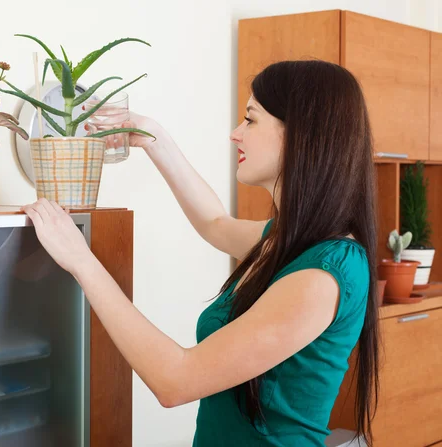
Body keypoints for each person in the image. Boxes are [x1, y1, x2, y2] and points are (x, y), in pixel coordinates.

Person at [21, 59, 380, 446]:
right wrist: (152, 136)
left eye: (251, 119)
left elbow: (175, 381)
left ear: (300, 135)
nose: (235, 134)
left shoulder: (325, 274)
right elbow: (215, 223)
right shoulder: (290, 241)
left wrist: (82, 262)